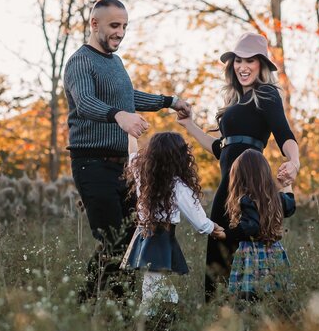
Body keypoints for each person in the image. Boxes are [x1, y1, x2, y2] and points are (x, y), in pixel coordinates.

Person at [64, 0, 191, 300]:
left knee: (133, 237)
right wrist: (118, 115)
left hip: (124, 166)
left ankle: (115, 304)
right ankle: (93, 303)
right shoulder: (80, 62)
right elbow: (85, 103)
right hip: (92, 164)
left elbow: (127, 96)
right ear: (94, 25)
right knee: (113, 239)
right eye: (114, 26)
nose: (120, 32)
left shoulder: (115, 63)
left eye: (124, 26)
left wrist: (170, 102)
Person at [178, 32, 300, 301]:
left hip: (246, 186)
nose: (243, 66)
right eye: (238, 60)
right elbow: (221, 149)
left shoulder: (266, 94)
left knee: (237, 245)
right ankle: (219, 315)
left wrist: (294, 161)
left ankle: (243, 310)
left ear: (262, 65)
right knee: (218, 252)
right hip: (227, 185)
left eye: (250, 61)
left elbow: (284, 134)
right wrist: (189, 126)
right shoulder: (236, 101)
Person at [122, 132, 226, 316]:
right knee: (153, 292)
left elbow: (132, 155)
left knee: (160, 289)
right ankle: (144, 329)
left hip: (146, 235)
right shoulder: (177, 184)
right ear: (179, 157)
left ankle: (165, 322)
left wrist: (131, 133)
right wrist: (215, 229)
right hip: (159, 239)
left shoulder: (142, 174)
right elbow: (199, 221)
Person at [225, 149, 296, 299]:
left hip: (252, 253)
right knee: (276, 293)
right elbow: (290, 206)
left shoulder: (246, 200)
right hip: (275, 251)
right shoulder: (276, 198)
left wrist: (227, 234)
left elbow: (251, 227)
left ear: (240, 177)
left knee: (250, 294)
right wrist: (286, 184)